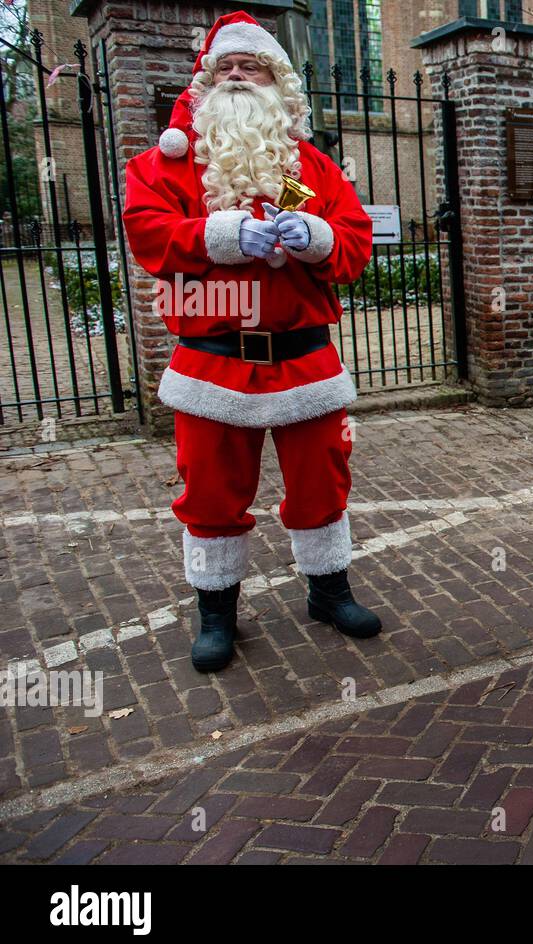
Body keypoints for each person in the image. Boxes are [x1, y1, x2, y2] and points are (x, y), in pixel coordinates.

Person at [122, 11, 381, 673]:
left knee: (323, 481)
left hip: (305, 360)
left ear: (276, 84)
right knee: (209, 491)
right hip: (212, 366)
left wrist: (313, 238)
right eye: (226, 69)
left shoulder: (306, 169)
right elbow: (150, 235)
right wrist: (223, 236)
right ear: (205, 85)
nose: (238, 77)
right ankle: (216, 612)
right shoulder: (170, 167)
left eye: (252, 67)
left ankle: (329, 591)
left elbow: (350, 242)